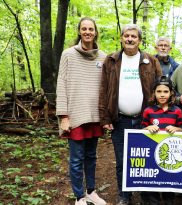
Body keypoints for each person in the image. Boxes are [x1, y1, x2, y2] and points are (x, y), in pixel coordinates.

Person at [98, 24, 162, 205]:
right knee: (122, 161)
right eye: (126, 35)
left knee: (146, 159)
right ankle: (124, 196)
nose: (130, 39)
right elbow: (103, 90)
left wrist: (158, 115)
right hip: (120, 120)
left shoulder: (150, 60)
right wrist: (105, 117)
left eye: (134, 36)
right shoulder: (111, 60)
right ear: (121, 38)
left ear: (139, 40)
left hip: (145, 120)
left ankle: (146, 194)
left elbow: (160, 89)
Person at [56, 17, 107, 205]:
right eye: (84, 29)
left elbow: (106, 88)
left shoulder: (102, 57)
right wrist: (63, 116)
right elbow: (61, 84)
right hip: (75, 114)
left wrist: (106, 115)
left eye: (91, 29)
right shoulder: (68, 54)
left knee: (91, 157)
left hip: (94, 115)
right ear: (79, 31)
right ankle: (79, 196)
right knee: (76, 159)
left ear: (95, 32)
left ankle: (91, 191)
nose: (87, 32)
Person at [140, 76, 182, 205]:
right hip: (153, 154)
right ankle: (153, 201)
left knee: (168, 179)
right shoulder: (148, 111)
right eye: (159, 91)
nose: (162, 95)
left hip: (169, 156)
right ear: (154, 93)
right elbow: (141, 130)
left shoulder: (177, 111)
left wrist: (176, 128)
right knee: (154, 180)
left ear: (171, 93)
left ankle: (168, 200)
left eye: (165, 91)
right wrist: (148, 127)